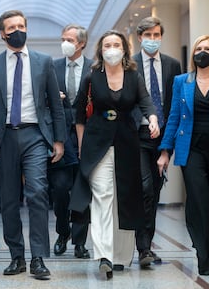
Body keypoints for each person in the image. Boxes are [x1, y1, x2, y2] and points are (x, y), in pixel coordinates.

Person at [0, 10, 66, 280]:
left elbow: (55, 104)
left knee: (38, 192)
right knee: (8, 198)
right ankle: (17, 255)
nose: (17, 30)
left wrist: (59, 139)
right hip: (4, 137)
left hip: (35, 135)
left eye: (21, 26)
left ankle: (38, 257)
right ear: (3, 33)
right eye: (11, 27)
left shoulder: (43, 62)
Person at [69, 30, 160, 279]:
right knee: (102, 196)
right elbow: (79, 115)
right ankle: (104, 256)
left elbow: (146, 102)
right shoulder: (91, 78)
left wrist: (152, 118)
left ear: (124, 49)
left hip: (127, 144)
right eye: (107, 44)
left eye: (116, 44)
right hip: (97, 145)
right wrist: (81, 146)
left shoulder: (133, 76)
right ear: (100, 50)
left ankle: (120, 256)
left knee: (125, 198)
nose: (111, 48)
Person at [157, 35, 209, 276]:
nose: (202, 52)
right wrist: (165, 151)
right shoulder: (181, 81)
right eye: (198, 48)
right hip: (191, 149)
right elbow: (173, 116)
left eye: (207, 49)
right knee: (199, 200)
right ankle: (203, 255)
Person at [132, 16, 181, 267]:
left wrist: (167, 150)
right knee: (145, 189)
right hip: (138, 136)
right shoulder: (129, 64)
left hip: (163, 137)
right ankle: (142, 248)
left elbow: (175, 108)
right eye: (148, 35)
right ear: (140, 37)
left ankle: (146, 246)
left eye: (156, 35)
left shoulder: (173, 65)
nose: (152, 40)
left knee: (155, 191)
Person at [49, 24, 92, 259]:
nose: (65, 42)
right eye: (63, 38)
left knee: (82, 192)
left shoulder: (94, 67)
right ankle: (62, 232)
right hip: (61, 139)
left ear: (81, 43)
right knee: (60, 190)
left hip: (87, 138)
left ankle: (80, 241)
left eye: (70, 39)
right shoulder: (52, 67)